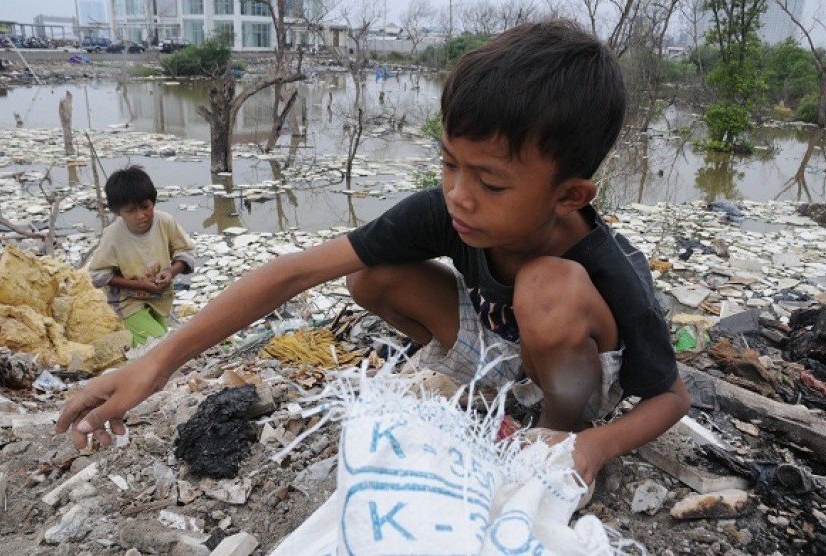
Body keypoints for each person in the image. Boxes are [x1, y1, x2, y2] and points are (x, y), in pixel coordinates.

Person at [58, 20, 690, 487]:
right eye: (448, 165)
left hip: (571, 373)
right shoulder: (449, 210)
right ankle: (478, 387)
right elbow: (296, 271)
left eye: (490, 182)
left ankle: (554, 433)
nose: (459, 197)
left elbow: (671, 399)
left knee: (545, 288)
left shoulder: (608, 264)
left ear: (570, 194)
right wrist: (156, 365)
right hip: (499, 350)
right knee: (370, 273)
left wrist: (600, 446)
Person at [89, 165, 195, 347]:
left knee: (148, 346)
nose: (140, 216)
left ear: (153, 201)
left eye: (145, 207)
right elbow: (98, 274)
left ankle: (134, 370)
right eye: (130, 211)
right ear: (118, 212)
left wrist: (171, 272)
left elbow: (185, 251)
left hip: (161, 297)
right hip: (128, 301)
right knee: (159, 345)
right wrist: (139, 285)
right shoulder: (113, 234)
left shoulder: (165, 222)